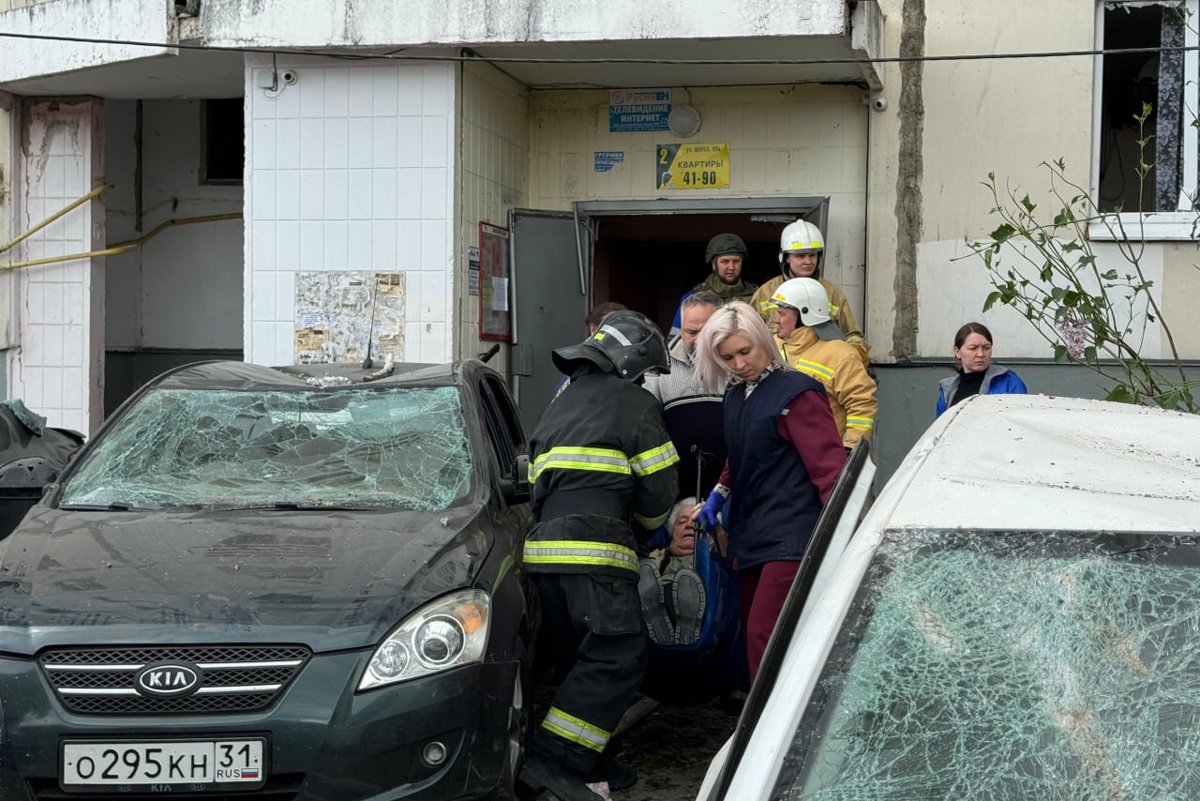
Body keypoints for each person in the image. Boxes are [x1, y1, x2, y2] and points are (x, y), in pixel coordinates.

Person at [521, 310, 680, 801]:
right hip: (597, 549)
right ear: (631, 363)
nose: (644, 379)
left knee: (575, 659)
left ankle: (595, 759)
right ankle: (552, 761)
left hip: (543, 552)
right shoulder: (634, 403)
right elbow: (659, 488)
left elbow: (534, 483)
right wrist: (650, 532)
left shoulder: (561, 403)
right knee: (618, 655)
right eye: (645, 371)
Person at [692, 302, 846, 680]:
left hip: (792, 535)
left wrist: (842, 536)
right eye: (728, 357)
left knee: (767, 638)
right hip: (751, 534)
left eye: (746, 351)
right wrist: (718, 494)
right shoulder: (736, 395)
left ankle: (772, 731)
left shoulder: (797, 394)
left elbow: (830, 471)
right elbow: (741, 454)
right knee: (752, 636)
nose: (740, 364)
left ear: (764, 340)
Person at [770, 278, 877, 448]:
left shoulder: (840, 355)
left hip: (823, 458)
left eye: (782, 314)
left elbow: (862, 405)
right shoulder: (772, 345)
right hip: (782, 455)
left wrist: (850, 450)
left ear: (802, 315)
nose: (775, 319)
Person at [750, 219, 869, 362]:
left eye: (812, 255)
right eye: (800, 256)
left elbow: (853, 335)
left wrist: (852, 357)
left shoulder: (832, 294)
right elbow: (749, 337)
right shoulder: (765, 293)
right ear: (786, 257)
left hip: (820, 370)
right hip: (779, 369)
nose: (808, 261)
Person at [669, 233, 758, 337]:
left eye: (736, 261)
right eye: (725, 261)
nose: (731, 267)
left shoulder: (757, 295)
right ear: (714, 264)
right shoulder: (693, 298)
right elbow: (675, 341)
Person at [936, 321, 1028, 416]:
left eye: (986, 347)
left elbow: (1020, 420)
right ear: (957, 352)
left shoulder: (1008, 380)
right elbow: (941, 427)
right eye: (973, 348)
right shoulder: (948, 388)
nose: (981, 354)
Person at [552, 301, 628, 400]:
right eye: (611, 327)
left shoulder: (638, 365)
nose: (618, 334)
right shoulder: (580, 364)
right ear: (593, 329)